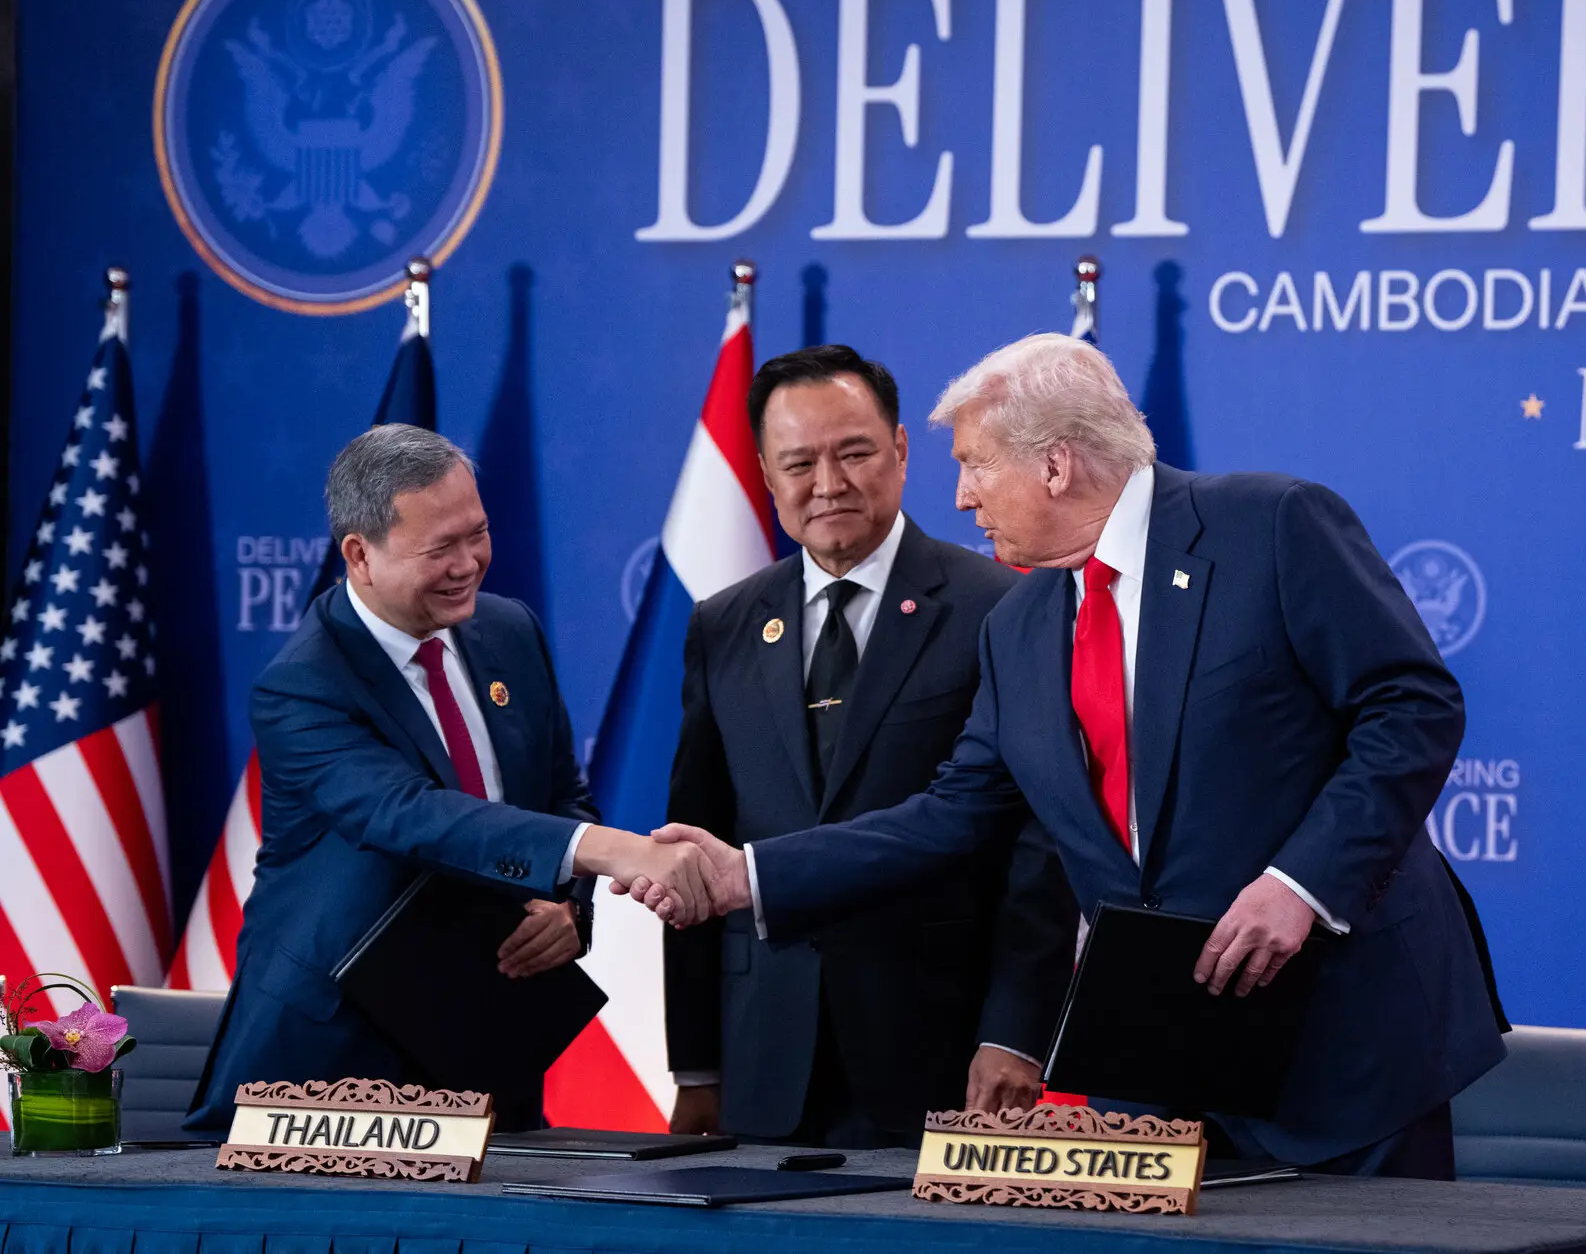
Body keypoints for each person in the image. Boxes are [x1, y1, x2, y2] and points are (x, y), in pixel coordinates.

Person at [631, 334, 1506, 1176]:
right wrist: (749, 874)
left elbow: (1412, 705)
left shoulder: (1269, 525)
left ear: (1054, 464)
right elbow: (949, 815)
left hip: (1346, 1040)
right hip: (1162, 1066)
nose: (962, 498)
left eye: (975, 465)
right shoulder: (1017, 624)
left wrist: (1300, 883)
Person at [188, 425, 720, 1132]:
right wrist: (616, 851)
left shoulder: (509, 631)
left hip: (486, 1030)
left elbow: (560, 794)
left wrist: (569, 908)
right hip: (338, 1058)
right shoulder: (303, 685)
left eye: (478, 533)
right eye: (440, 548)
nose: (468, 564)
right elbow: (411, 813)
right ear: (360, 555)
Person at [665, 345, 1075, 1148]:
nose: (829, 483)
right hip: (762, 1053)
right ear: (765, 473)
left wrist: (1016, 1030)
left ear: (901, 449)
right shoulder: (723, 624)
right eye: (799, 463)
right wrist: (696, 1066)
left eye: (853, 453)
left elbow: (1040, 842)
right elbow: (697, 846)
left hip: (939, 1045)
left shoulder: (1003, 606)